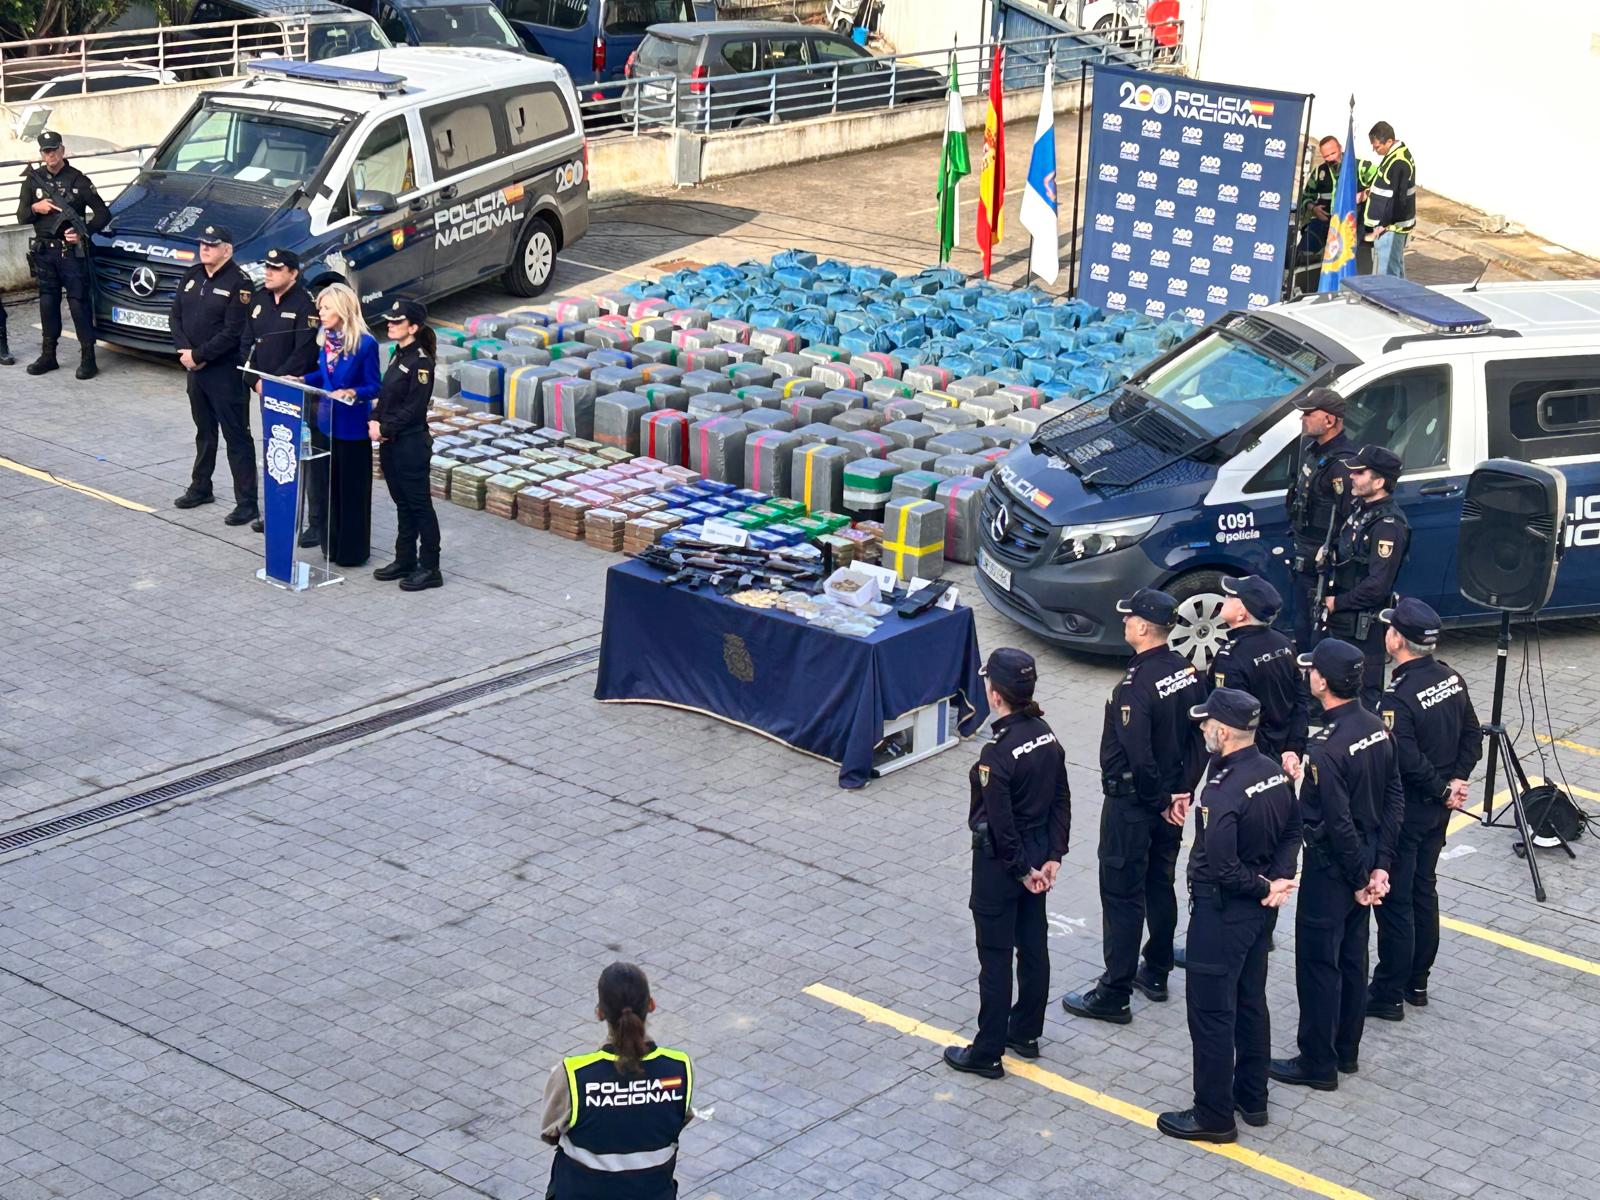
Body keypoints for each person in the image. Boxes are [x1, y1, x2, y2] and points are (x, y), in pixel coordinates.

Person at [1157, 688, 1300, 1143]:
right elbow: (1293, 830)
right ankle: (1252, 1098)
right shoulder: (1273, 772)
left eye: (1205, 724)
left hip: (1223, 914)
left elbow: (1220, 864)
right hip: (1259, 914)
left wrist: (1263, 887)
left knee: (1212, 1013)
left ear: (1222, 731)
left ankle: (1214, 1115)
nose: (1201, 730)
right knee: (1250, 1000)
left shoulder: (1221, 791)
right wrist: (1277, 882)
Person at [1061, 588, 1204, 1024]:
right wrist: (1182, 793)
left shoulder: (1135, 686)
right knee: (1159, 882)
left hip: (1134, 806)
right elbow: (1199, 741)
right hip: (1169, 803)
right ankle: (1157, 970)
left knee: (1123, 894)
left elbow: (1138, 754)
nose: (1123, 623)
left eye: (1128, 619)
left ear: (1143, 628)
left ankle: (1115, 991)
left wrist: (1158, 799)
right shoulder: (1188, 672)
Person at [1270, 638, 1403, 1091]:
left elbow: (1337, 821)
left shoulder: (1325, 747)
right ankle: (1346, 1051)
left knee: (1318, 965)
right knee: (1352, 959)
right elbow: (1394, 798)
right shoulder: (1376, 726)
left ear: (1322, 682)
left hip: (1335, 870)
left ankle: (1317, 1062)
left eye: (1312, 671)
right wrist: (1380, 866)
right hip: (1365, 861)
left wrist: (1357, 878)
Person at [945, 648, 1071, 1079]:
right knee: (1033, 948)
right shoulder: (1046, 733)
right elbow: (1061, 800)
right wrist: (1052, 856)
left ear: (995, 696)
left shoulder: (995, 756)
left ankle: (987, 1051)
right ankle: (1027, 1033)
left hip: (1003, 868)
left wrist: (1021, 869)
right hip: (1037, 856)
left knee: (995, 957)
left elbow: (1000, 826)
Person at [1368, 598, 1481, 1020]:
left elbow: (1404, 758)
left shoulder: (1397, 697)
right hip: (1439, 809)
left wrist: (1439, 789)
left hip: (1410, 811)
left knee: (1396, 901)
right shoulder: (1451, 677)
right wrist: (1454, 785)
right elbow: (1473, 736)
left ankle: (1389, 993)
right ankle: (1418, 982)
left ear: (1397, 639)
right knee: (1423, 890)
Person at [540, 962, 694, 1199]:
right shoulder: (678, 1068)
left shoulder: (573, 1074)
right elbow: (676, 1119)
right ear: (651, 1005)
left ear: (600, 1011)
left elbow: (550, 1133)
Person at [171, 225, 257, 526]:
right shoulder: (192, 275)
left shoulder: (240, 284)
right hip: (195, 370)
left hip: (225, 372)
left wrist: (200, 355)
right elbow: (176, 315)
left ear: (227, 250)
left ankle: (247, 503)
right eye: (202, 244)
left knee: (236, 436)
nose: (205, 248)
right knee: (204, 432)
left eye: (212, 244)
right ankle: (201, 487)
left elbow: (234, 331)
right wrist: (185, 350)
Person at [16, 129, 111, 380]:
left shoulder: (78, 180)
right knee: (48, 302)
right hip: (44, 252)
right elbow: (22, 216)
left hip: (70, 253)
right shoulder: (33, 180)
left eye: (54, 150)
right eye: (46, 151)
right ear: (41, 154)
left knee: (78, 303)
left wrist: (83, 233)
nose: (50, 155)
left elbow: (103, 214)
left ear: (62, 150)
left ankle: (88, 358)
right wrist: (36, 207)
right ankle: (49, 355)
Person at [1322, 444, 1410, 709]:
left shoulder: (1388, 526)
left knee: (1363, 694)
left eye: (1360, 472)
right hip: (1345, 618)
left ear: (1380, 481)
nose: (1352, 476)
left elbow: (1377, 586)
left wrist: (1337, 603)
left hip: (1364, 624)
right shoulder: (1361, 509)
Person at [240, 247, 319, 535]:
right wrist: (255, 382)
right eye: (267, 267)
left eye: (276, 268)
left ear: (293, 273)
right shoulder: (260, 299)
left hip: (292, 393)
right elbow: (246, 343)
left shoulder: (305, 305)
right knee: (275, 454)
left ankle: (313, 522)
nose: (268, 273)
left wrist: (275, 383)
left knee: (302, 455)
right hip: (265, 391)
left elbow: (304, 353)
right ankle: (278, 512)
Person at [301, 283, 380, 566]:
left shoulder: (365, 344)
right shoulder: (327, 339)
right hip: (326, 423)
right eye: (319, 307)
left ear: (342, 309)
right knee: (328, 488)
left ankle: (352, 551)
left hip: (351, 428)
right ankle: (330, 545)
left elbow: (374, 385)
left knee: (351, 491)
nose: (320, 313)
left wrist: (354, 393)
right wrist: (301, 380)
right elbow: (325, 377)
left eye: (326, 308)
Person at [372, 299, 443, 590]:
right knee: (402, 502)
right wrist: (374, 419)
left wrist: (384, 427)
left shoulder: (421, 362)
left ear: (413, 327)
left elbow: (414, 408)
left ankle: (430, 567)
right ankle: (405, 558)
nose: (389, 324)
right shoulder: (398, 355)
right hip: (391, 442)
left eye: (396, 321)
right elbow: (386, 395)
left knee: (419, 505)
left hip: (410, 444)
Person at [1285, 387, 1353, 653]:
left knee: (1316, 633)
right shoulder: (1313, 450)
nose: (1303, 418)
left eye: (1309, 414)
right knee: (1301, 625)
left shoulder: (1342, 464)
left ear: (1330, 420)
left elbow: (1347, 518)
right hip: (1303, 551)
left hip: (1321, 562)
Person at [1364, 121, 1416, 278]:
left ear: (1389, 141)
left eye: (1377, 146)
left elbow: (1396, 199)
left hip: (1391, 228)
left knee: (1388, 274)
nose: (1374, 150)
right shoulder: (1394, 155)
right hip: (1390, 226)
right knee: (1395, 269)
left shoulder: (1399, 162)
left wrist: (1383, 225)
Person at [1297, 135, 1342, 258]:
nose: (1330, 158)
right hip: (1321, 222)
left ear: (1341, 148)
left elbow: (1377, 186)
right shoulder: (1319, 172)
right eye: (1326, 156)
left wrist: (1362, 195)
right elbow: (1305, 197)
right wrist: (1313, 208)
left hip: (1345, 227)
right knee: (1302, 254)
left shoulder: (1357, 167)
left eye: (1333, 153)